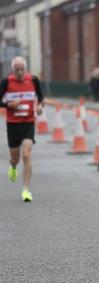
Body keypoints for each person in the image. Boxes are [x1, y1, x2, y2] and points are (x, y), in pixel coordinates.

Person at [0, 56, 45, 202]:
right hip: (13, 124)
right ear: (12, 70)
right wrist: (9, 105)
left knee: (26, 153)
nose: (19, 72)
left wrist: (39, 106)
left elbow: (41, 97)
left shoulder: (33, 80)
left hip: (28, 123)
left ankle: (26, 190)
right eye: (16, 70)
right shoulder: (6, 82)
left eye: (22, 69)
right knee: (15, 158)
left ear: (25, 69)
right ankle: (13, 167)